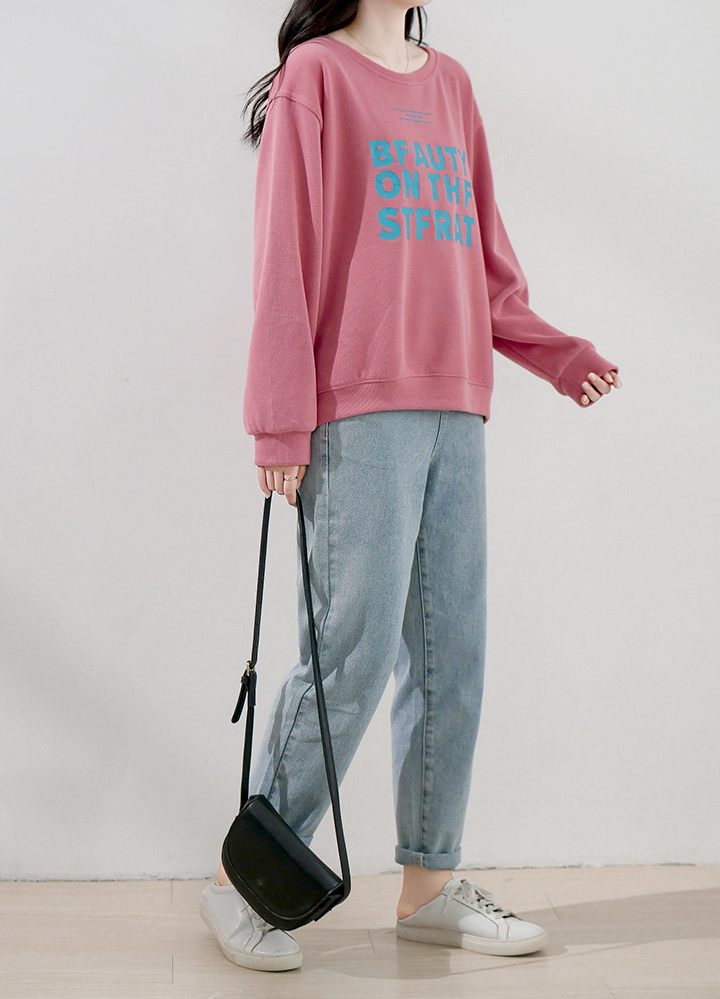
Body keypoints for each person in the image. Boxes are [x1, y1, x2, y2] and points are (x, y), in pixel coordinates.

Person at [200, 0, 622, 974]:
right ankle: (241, 880)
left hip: (456, 403)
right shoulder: (316, 76)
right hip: (356, 411)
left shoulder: (453, 85)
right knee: (347, 656)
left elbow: (485, 263)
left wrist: (557, 355)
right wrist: (279, 417)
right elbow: (284, 256)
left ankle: (429, 885)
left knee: (450, 655)